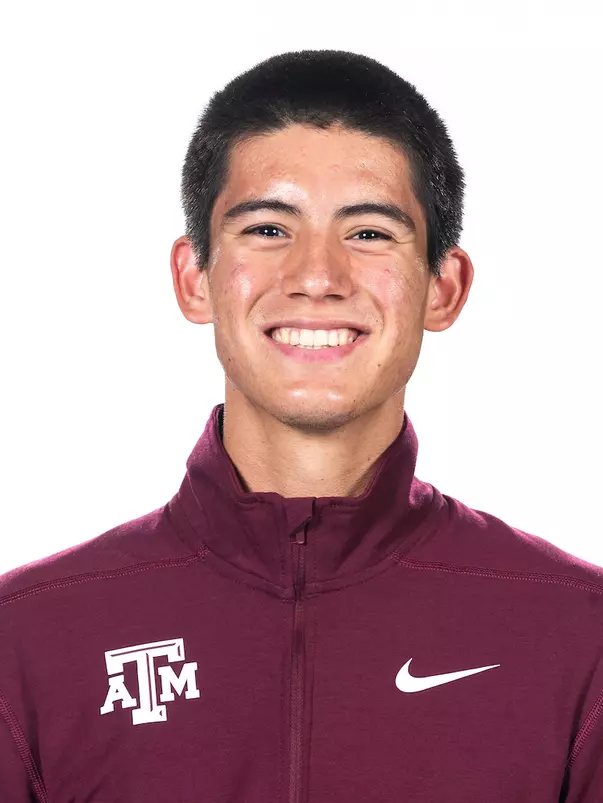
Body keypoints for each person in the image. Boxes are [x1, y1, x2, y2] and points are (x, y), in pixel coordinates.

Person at [0, 49, 601, 803]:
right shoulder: (26, 641)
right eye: (267, 228)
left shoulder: (580, 636)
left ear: (443, 288)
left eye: (369, 234)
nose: (317, 277)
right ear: (194, 278)